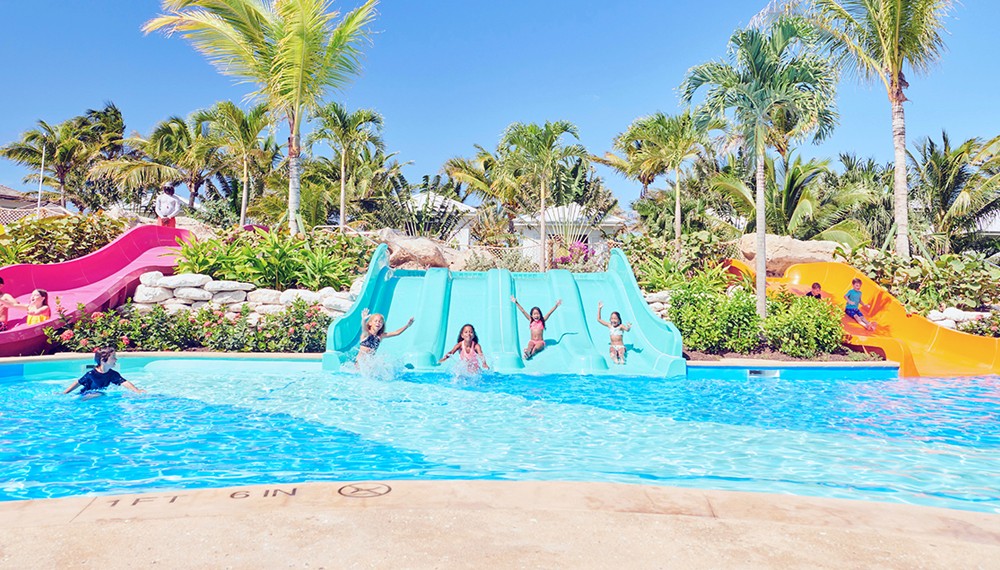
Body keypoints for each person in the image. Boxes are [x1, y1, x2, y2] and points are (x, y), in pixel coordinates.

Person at [63, 347, 144, 396]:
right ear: (103, 360)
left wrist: (136, 390)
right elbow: (77, 383)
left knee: (101, 394)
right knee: (100, 394)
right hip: (86, 394)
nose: (116, 359)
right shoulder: (91, 374)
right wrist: (65, 393)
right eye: (113, 358)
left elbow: (125, 382)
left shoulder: (113, 374)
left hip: (99, 394)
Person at [511, 296, 561, 360]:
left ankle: (530, 354)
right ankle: (528, 352)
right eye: (534, 314)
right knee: (530, 346)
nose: (536, 315)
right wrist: (516, 302)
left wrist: (556, 305)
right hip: (532, 340)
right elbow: (523, 311)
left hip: (540, 342)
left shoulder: (542, 321)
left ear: (540, 315)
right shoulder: (531, 320)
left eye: (538, 314)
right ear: (531, 315)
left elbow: (549, 313)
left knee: (535, 348)